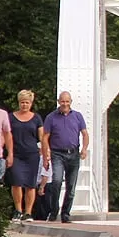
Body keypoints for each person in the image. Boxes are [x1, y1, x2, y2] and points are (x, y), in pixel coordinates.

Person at [41, 91, 90, 224]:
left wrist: (84, 149)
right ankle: (54, 210)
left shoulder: (78, 116)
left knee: (71, 187)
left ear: (71, 102)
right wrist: (46, 156)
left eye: (67, 101)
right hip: (57, 154)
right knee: (56, 181)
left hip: (73, 154)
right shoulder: (51, 117)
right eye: (62, 101)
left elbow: (85, 134)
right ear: (58, 102)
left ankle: (66, 214)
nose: (65, 104)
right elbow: (45, 138)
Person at [7, 90, 44, 221]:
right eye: (22, 102)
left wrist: (46, 152)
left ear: (31, 103)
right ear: (19, 103)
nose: (24, 105)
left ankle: (28, 212)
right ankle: (18, 210)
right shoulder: (11, 117)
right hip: (16, 154)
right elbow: (7, 134)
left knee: (31, 184)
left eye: (27, 103)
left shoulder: (37, 118)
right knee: (16, 182)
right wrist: (8, 153)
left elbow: (42, 137)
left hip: (32, 154)